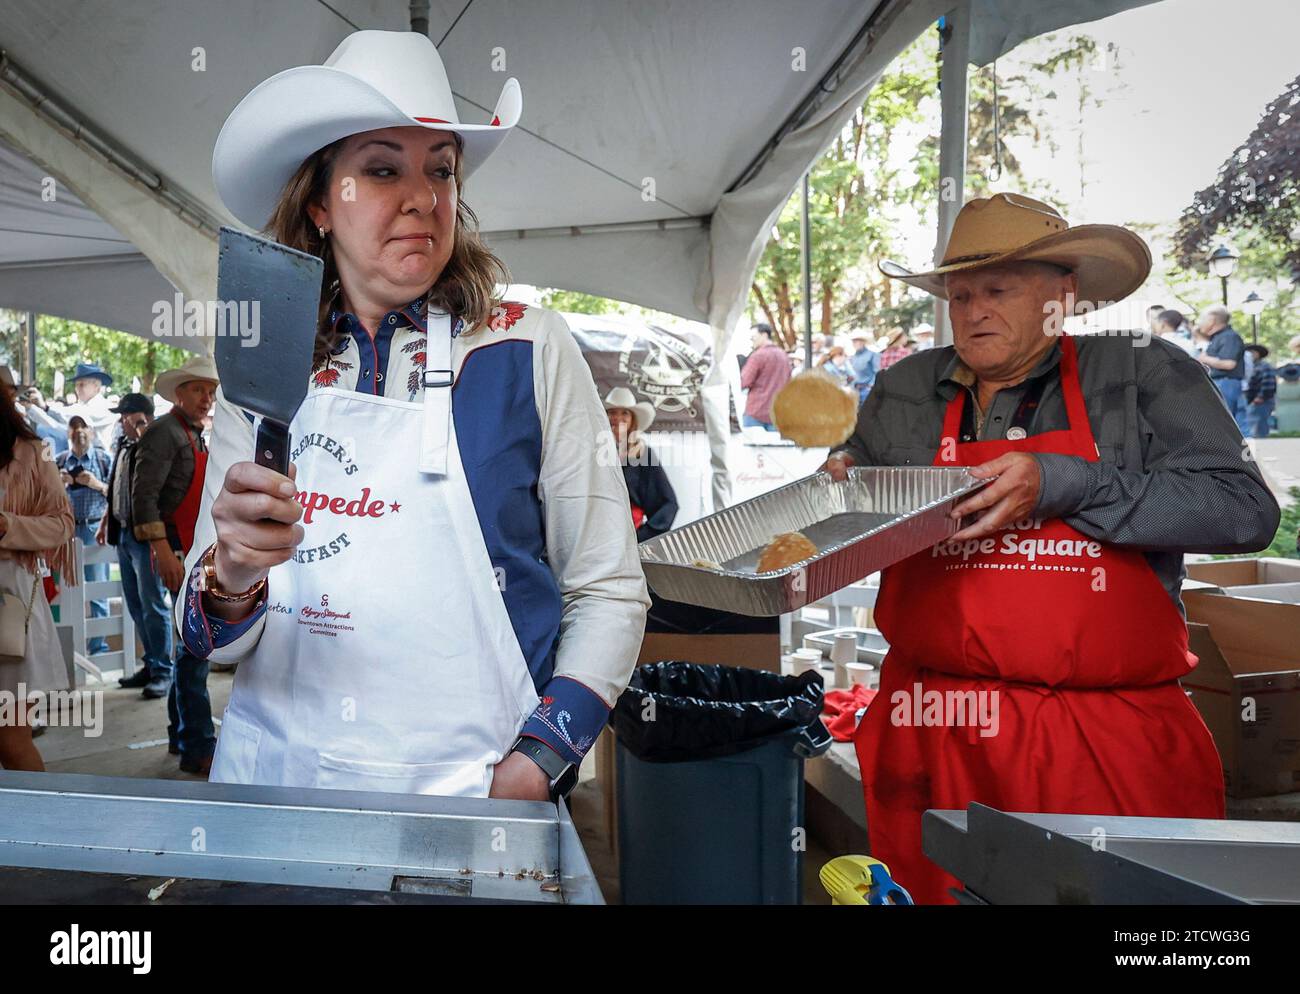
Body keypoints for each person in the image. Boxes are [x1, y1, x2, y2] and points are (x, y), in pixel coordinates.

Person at [181, 29, 648, 801]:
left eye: (441, 170)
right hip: (283, 789)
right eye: (382, 169)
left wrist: (537, 764)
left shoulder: (526, 345)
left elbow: (606, 587)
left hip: (474, 794)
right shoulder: (262, 368)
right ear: (322, 203)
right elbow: (209, 643)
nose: (422, 198)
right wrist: (232, 574)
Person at [825, 192, 1279, 904]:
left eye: (998, 290)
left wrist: (1071, 482)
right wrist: (837, 489)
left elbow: (1243, 509)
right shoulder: (905, 387)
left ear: (1062, 296)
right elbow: (853, 504)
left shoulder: (1142, 373)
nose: (974, 309)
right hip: (931, 726)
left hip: (1098, 740)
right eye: (960, 292)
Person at [132, 356, 219, 779]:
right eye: (198, 390)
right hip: (174, 549)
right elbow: (143, 496)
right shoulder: (164, 433)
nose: (207, 398)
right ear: (179, 393)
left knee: (187, 644)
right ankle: (197, 746)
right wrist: (164, 552)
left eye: (210, 391)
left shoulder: (193, 434)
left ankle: (179, 733)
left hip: (189, 546)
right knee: (193, 647)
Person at [0, 379, 77, 772]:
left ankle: (34, 828)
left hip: (10, 605)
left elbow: (63, 523)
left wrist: (7, 527)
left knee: (12, 739)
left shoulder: (32, 452)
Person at [96, 393, 174, 691]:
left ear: (139, 416)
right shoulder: (124, 445)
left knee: (153, 604)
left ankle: (163, 671)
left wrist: (143, 429)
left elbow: (153, 486)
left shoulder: (150, 442)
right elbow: (116, 485)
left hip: (146, 537)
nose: (120, 420)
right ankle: (152, 663)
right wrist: (106, 521)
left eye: (125, 415)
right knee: (136, 604)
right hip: (124, 533)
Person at [55, 417, 114, 656]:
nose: (79, 431)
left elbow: (116, 493)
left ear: (91, 432)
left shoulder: (103, 459)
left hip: (94, 529)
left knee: (98, 589)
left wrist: (95, 483)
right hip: (66, 532)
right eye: (74, 426)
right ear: (68, 432)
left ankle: (98, 648)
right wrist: (60, 484)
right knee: (66, 590)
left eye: (83, 426)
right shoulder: (59, 462)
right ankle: (69, 649)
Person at [604, 387, 677, 542]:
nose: (617, 418)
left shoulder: (643, 455)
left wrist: (641, 538)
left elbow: (668, 503)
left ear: (632, 421)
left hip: (628, 538)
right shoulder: (592, 454)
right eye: (612, 412)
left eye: (624, 413)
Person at [1195, 306, 1249, 436]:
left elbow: (1229, 364)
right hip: (1221, 383)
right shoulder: (1218, 337)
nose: (1199, 323)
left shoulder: (1229, 337)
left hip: (1226, 383)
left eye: (1202, 319)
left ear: (1212, 320)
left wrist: (1205, 358)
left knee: (1227, 422)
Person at [739, 322, 791, 431]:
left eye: (753, 337)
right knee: (776, 447)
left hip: (757, 411)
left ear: (764, 335)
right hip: (778, 412)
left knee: (751, 447)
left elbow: (744, 381)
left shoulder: (758, 355)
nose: (752, 340)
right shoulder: (783, 355)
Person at [1243, 344, 1276, 439]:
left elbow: (1268, 384)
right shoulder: (1252, 366)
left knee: (1258, 427)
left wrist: (1260, 397)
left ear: (1257, 353)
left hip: (1261, 401)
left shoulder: (1264, 366)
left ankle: (1261, 448)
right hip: (1253, 400)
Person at [848, 331, 880, 403]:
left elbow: (877, 372)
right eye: (853, 341)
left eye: (857, 341)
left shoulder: (872, 355)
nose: (855, 343)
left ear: (863, 342)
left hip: (867, 390)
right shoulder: (853, 358)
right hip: (855, 390)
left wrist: (871, 386)